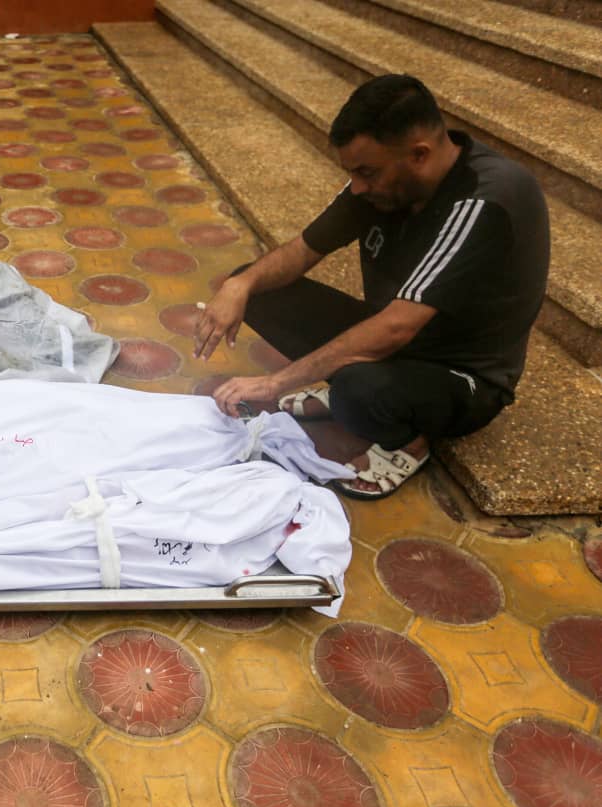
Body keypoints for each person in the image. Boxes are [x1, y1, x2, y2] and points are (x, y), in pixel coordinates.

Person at [194, 74, 549, 499]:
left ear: (419, 154)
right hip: (395, 337)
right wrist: (241, 283)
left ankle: (411, 442)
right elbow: (302, 252)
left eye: (367, 172)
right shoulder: (384, 185)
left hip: (460, 377)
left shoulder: (482, 200)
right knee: (259, 286)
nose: (357, 186)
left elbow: (397, 327)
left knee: (360, 391)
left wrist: (275, 384)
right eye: (353, 172)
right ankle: (347, 379)